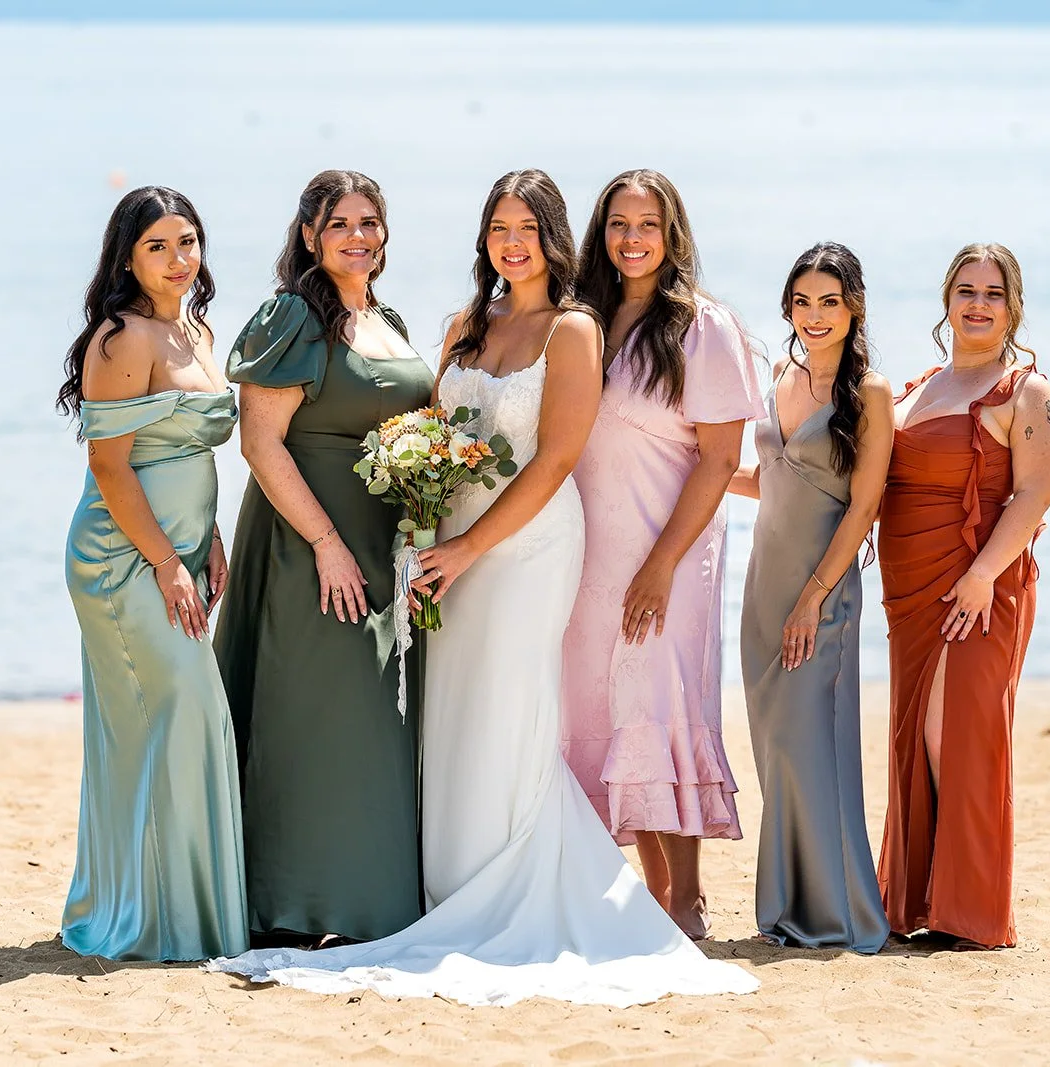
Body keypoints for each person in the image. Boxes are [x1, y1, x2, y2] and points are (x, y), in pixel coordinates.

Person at [208, 170, 757, 1006]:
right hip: (443, 547)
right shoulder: (467, 324)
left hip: (524, 545)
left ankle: (508, 889)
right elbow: (427, 429)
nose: (511, 242)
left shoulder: (573, 329)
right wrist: (426, 521)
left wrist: (469, 546)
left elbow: (557, 458)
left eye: (527, 228)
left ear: (552, 238)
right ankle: (447, 887)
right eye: (498, 227)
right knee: (447, 710)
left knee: (508, 707)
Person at [210, 170, 430, 946]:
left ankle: (368, 901)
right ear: (309, 235)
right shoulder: (293, 317)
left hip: (384, 543)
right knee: (315, 717)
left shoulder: (388, 317)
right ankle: (295, 906)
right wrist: (327, 544)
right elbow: (260, 443)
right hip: (310, 543)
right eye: (340, 224)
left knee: (378, 717)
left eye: (370, 221)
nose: (358, 236)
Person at [561, 169, 763, 939]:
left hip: (669, 551)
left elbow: (717, 461)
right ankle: (654, 897)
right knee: (616, 714)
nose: (632, 238)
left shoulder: (702, 327)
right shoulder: (586, 320)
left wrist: (659, 565)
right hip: (592, 551)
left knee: (662, 708)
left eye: (647, 224)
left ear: (672, 233)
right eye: (618, 223)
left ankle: (687, 899)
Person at [56, 186, 248, 961]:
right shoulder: (121, 336)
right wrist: (167, 560)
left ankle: (181, 911)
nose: (178, 260)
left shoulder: (196, 327)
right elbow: (110, 464)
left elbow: (186, 449)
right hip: (120, 557)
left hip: (181, 551)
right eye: (158, 247)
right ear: (128, 257)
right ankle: (156, 918)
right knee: (184, 713)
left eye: (188, 242)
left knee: (173, 724)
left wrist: (208, 538)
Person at [876, 242, 1050, 949]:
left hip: (981, 584)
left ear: (1012, 306)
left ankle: (973, 912)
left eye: (992, 292)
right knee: (915, 734)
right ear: (946, 300)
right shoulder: (918, 387)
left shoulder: (1028, 394)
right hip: (910, 588)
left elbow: (1036, 491)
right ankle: (925, 900)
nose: (977, 303)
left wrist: (984, 573)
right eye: (965, 290)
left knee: (958, 734)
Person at [729, 242, 892, 952]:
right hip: (763, 586)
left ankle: (837, 913)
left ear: (853, 305)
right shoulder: (776, 374)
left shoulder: (873, 394)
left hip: (821, 593)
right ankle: (789, 908)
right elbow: (770, 478)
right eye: (802, 301)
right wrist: (686, 468)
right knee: (775, 752)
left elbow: (863, 508)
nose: (814, 315)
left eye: (829, 301)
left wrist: (812, 599)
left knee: (809, 747)